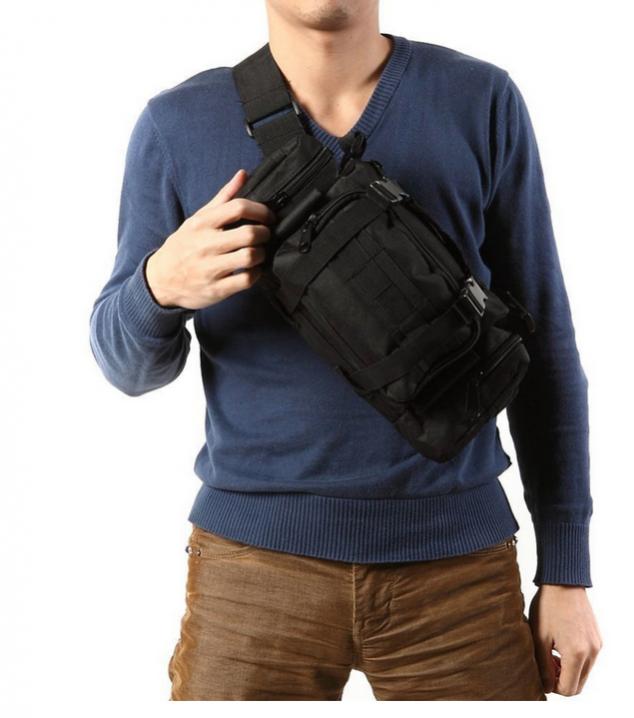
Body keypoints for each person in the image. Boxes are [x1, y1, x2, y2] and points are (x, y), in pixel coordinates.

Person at [88, 0, 602, 701]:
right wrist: (159, 286)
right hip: (251, 573)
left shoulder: (479, 99)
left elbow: (545, 348)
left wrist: (566, 572)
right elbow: (125, 366)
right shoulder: (177, 123)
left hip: (457, 572)